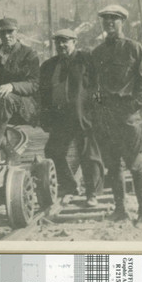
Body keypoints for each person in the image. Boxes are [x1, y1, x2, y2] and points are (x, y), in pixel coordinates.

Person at [92, 4, 142, 226]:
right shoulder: (98, 53)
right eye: (105, 19)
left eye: (114, 19)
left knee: (136, 164)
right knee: (113, 165)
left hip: (127, 117)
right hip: (106, 118)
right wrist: (98, 108)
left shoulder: (134, 49)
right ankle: (120, 210)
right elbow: (93, 86)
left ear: (122, 22)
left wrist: (133, 106)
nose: (109, 22)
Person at [39, 29, 104, 207]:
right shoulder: (49, 66)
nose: (61, 45)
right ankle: (69, 185)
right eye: (58, 42)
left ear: (75, 42)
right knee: (53, 150)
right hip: (60, 117)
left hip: (83, 116)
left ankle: (92, 193)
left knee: (88, 155)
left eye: (65, 41)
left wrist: (97, 111)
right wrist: (45, 116)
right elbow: (43, 94)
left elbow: (98, 88)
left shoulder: (86, 60)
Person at [0, 17, 39, 164]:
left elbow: (33, 84)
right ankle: (11, 153)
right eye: (3, 33)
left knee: (5, 99)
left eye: (10, 32)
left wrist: (12, 86)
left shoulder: (28, 53)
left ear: (17, 32)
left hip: (24, 104)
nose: (7, 36)